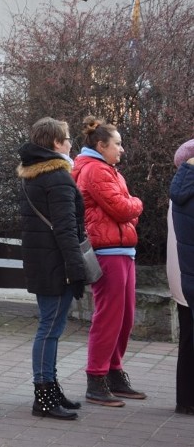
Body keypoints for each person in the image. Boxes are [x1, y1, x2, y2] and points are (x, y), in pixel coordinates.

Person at [72, 116, 145, 406]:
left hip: (122, 250)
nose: (122, 149)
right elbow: (123, 208)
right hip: (107, 252)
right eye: (117, 144)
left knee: (124, 318)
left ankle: (114, 372)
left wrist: (130, 208)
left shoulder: (108, 170)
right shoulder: (96, 171)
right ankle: (97, 378)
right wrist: (136, 203)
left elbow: (126, 212)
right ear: (101, 145)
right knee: (109, 317)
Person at [17, 117, 85, 420]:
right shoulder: (57, 177)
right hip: (55, 263)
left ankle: (51, 388)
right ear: (56, 143)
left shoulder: (33, 175)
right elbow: (66, 229)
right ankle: (43, 396)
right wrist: (76, 268)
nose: (71, 142)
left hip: (43, 261)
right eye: (67, 138)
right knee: (49, 329)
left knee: (51, 327)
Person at [169, 138, 194, 415]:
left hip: (183, 276)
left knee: (188, 340)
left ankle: (185, 399)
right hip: (186, 272)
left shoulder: (179, 190)